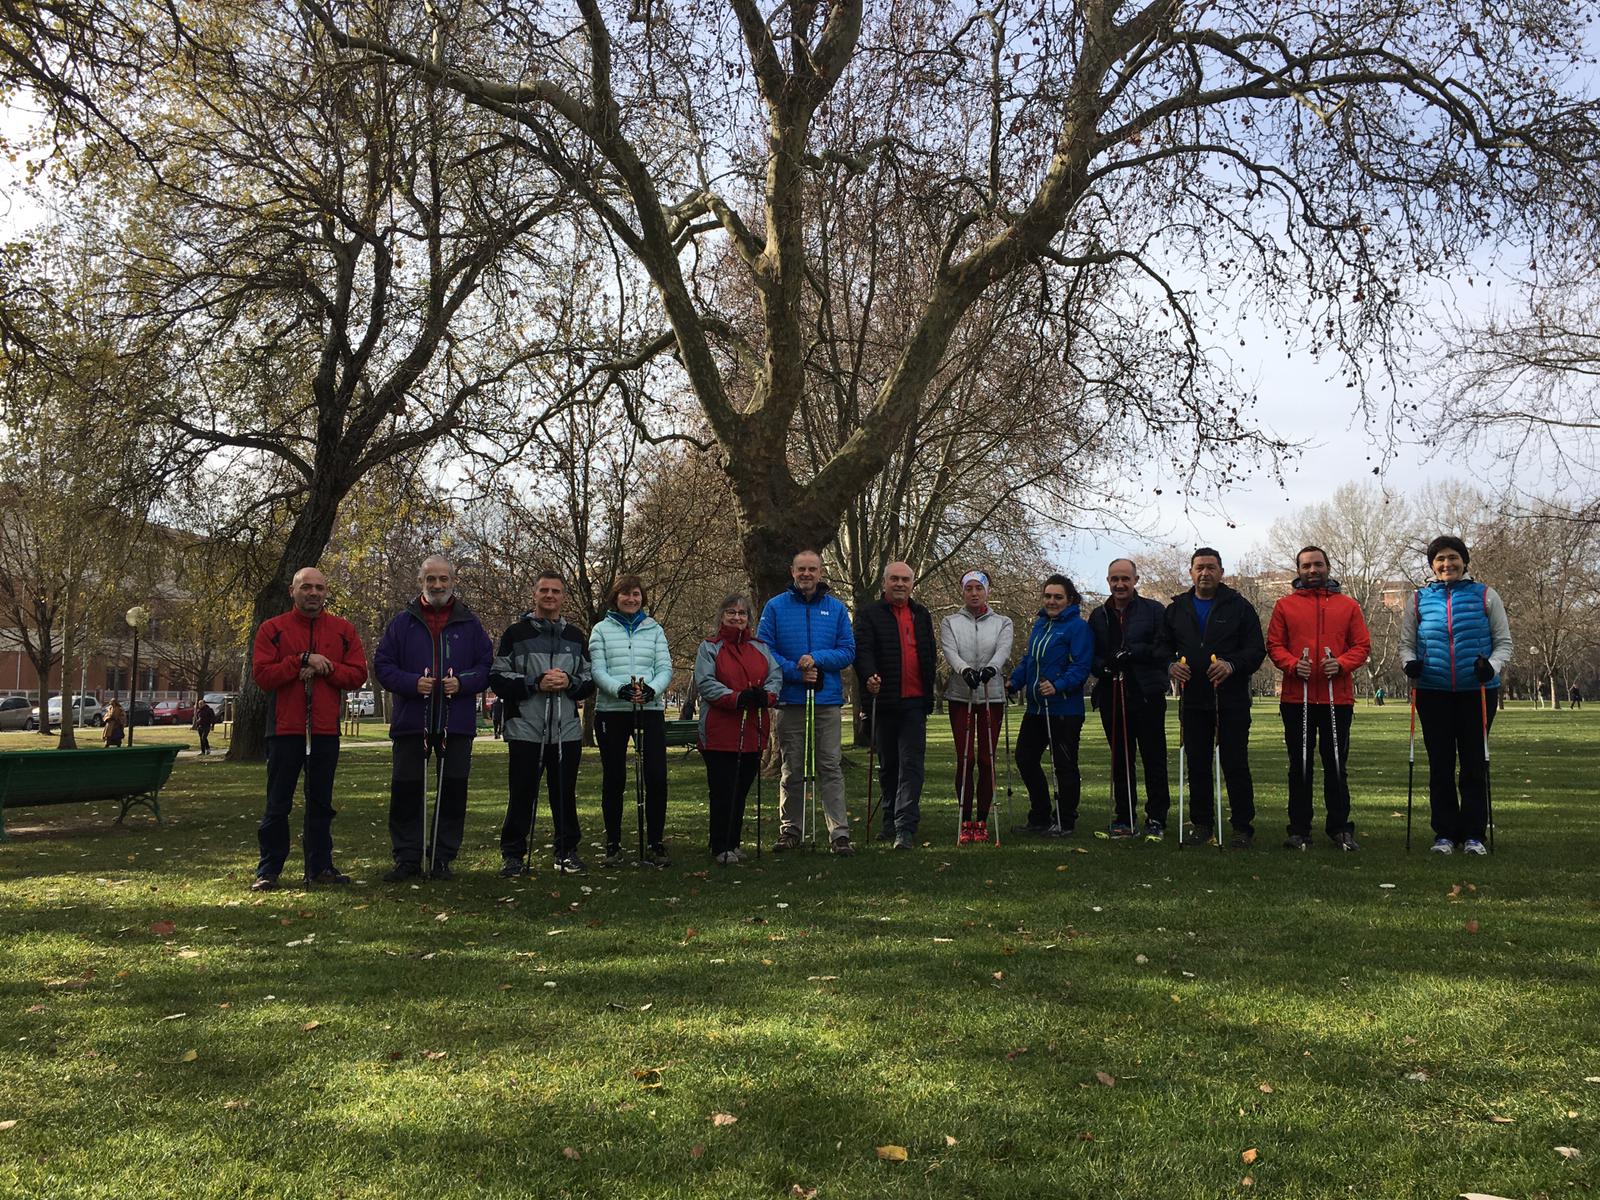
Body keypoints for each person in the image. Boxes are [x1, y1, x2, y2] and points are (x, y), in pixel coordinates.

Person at [373, 555, 495, 882]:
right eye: (431, 580)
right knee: (406, 790)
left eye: (443, 579)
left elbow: (487, 667)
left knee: (453, 790)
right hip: (412, 721)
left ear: (453, 581)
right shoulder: (402, 622)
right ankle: (408, 858)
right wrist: (411, 683)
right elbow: (383, 666)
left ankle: (442, 857)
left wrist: (465, 682)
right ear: (421, 582)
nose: (437, 585)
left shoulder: (469, 623)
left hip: (456, 723)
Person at [249, 566, 368, 891]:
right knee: (278, 803)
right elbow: (262, 676)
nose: (313, 593)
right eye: (306, 587)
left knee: (320, 803)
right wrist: (300, 660)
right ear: (293, 591)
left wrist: (324, 668)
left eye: (319, 588)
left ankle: (320, 867)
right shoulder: (272, 629)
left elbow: (357, 675)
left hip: (325, 730)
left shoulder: (343, 630)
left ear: (326, 592)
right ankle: (268, 870)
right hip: (285, 730)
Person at [1400, 535, 1513, 856]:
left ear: (1464, 561)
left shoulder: (1486, 596)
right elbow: (1406, 643)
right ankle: (1445, 834)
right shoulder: (1418, 600)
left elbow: (1504, 642)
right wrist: (1409, 664)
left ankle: (1475, 834)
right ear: (1432, 565)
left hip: (1475, 691)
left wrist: (1490, 667)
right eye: (1440, 559)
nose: (1446, 564)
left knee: (1474, 764)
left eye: (1452, 558)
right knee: (1440, 764)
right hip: (1432, 692)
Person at [1265, 546, 1372, 851]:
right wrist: (1289, 663)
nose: (1313, 570)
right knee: (1299, 765)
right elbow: (1274, 644)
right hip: (1296, 697)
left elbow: (1361, 645)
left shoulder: (1348, 605)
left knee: (1336, 764)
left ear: (1328, 567)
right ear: (1298, 570)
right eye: (1306, 566)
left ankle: (1339, 828)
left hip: (1336, 698)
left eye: (1318, 565)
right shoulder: (1284, 605)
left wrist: (1341, 663)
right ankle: (1299, 829)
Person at [490, 571, 595, 875]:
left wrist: (569, 680)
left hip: (566, 730)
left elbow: (589, 680)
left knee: (564, 792)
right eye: (544, 590)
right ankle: (513, 855)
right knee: (522, 793)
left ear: (564, 597)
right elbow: (497, 677)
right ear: (534, 594)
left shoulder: (575, 637)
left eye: (556, 591)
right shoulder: (515, 633)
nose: (550, 596)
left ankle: (567, 851)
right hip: (526, 728)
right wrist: (535, 682)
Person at [756, 549, 857, 855]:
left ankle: (839, 833)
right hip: (791, 699)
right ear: (792, 571)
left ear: (821, 572)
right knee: (792, 767)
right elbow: (765, 650)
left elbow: (847, 650)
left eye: (812, 569)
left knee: (829, 765)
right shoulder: (775, 607)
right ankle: (790, 829)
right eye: (801, 569)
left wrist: (818, 660)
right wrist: (797, 672)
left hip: (826, 699)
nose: (806, 574)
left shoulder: (836, 609)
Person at [1164, 548, 1265, 849]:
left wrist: (1232, 664)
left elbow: (1255, 649)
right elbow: (1161, 647)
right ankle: (1202, 824)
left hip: (1230, 698)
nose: (1205, 573)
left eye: (1211, 567)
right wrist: (1169, 665)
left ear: (1221, 572)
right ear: (1191, 572)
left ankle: (1242, 827)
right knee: (1197, 763)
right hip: (1193, 700)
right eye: (1199, 568)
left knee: (1235, 763)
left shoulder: (1239, 607)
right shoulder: (1176, 609)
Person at [589, 574, 676, 867]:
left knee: (655, 777)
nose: (631, 599)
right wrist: (619, 689)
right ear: (615, 597)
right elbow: (597, 670)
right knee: (614, 777)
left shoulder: (654, 629)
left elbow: (664, 667)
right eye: (625, 594)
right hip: (612, 711)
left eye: (636, 594)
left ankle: (655, 842)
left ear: (643, 598)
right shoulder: (600, 629)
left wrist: (652, 690)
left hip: (649, 709)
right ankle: (613, 844)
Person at [854, 561, 938, 850]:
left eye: (905, 579)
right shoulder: (869, 614)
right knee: (888, 765)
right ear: (884, 583)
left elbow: (929, 653)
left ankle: (905, 826)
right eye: (895, 579)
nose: (900, 584)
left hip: (915, 702)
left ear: (912, 584)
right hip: (884, 700)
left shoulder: (921, 614)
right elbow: (862, 650)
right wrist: (868, 676)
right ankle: (890, 818)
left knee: (912, 765)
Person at [1088, 558, 1173, 840]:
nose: (1120, 584)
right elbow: (1093, 654)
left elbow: (1163, 648)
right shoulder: (1099, 615)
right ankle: (1124, 817)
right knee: (1120, 759)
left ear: (1135, 580)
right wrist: (1104, 666)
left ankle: (1156, 817)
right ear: (1108, 581)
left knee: (1153, 758)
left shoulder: (1152, 610)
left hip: (1146, 693)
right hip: (1112, 692)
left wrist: (1132, 652)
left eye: (1125, 578)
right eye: (1114, 579)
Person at [693, 594, 781, 863]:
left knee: (741, 788)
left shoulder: (760, 647)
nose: (737, 617)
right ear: (721, 616)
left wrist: (765, 695)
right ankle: (719, 844)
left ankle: (733, 840)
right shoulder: (710, 647)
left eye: (742, 613)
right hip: (720, 729)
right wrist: (735, 697)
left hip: (753, 728)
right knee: (723, 789)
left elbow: (775, 677)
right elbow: (705, 682)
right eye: (731, 612)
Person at [1007, 574, 1093, 836]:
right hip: (1035, 708)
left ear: (1069, 599)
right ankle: (1040, 815)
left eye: (1058, 597)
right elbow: (1029, 660)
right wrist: (1015, 681)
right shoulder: (1040, 625)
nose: (1052, 601)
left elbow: (1081, 667)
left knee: (1064, 765)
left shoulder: (1078, 627)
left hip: (1064, 709)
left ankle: (1065, 819)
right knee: (1025, 758)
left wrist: (1059, 684)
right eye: (1048, 596)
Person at [941, 570, 1014, 844]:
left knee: (986, 759)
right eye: (969, 588)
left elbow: (1003, 649)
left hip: (990, 696)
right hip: (961, 695)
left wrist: (991, 669)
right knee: (965, 758)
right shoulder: (950, 621)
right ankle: (965, 818)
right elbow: (950, 650)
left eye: (978, 588)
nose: (974, 593)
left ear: (987, 591)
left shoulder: (1002, 622)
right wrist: (965, 670)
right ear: (963, 592)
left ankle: (981, 819)